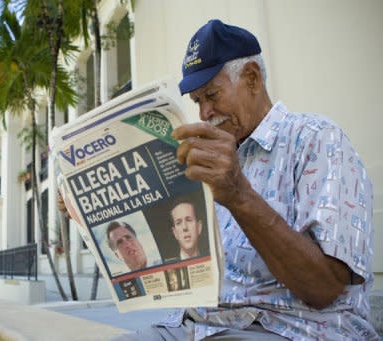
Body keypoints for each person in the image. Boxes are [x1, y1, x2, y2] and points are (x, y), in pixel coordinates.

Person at [112, 19, 377, 340]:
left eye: (212, 94)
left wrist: (238, 194)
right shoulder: (206, 155)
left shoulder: (318, 140)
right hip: (193, 325)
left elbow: (324, 289)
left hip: (288, 327)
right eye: (197, 101)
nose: (205, 113)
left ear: (252, 77)